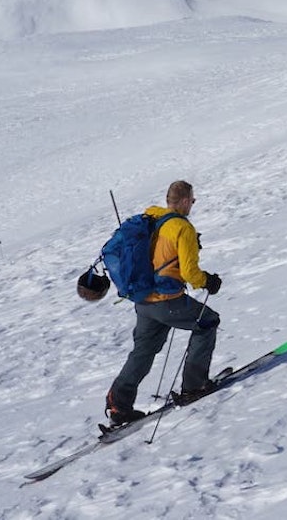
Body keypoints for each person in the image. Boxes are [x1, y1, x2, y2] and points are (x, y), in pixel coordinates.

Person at [105, 180, 223, 423]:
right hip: (167, 301)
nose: (193, 204)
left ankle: (119, 404)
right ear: (184, 201)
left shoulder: (152, 217)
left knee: (143, 351)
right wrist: (208, 281)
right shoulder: (182, 228)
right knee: (207, 321)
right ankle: (194, 386)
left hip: (143, 301)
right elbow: (190, 273)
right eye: (192, 200)